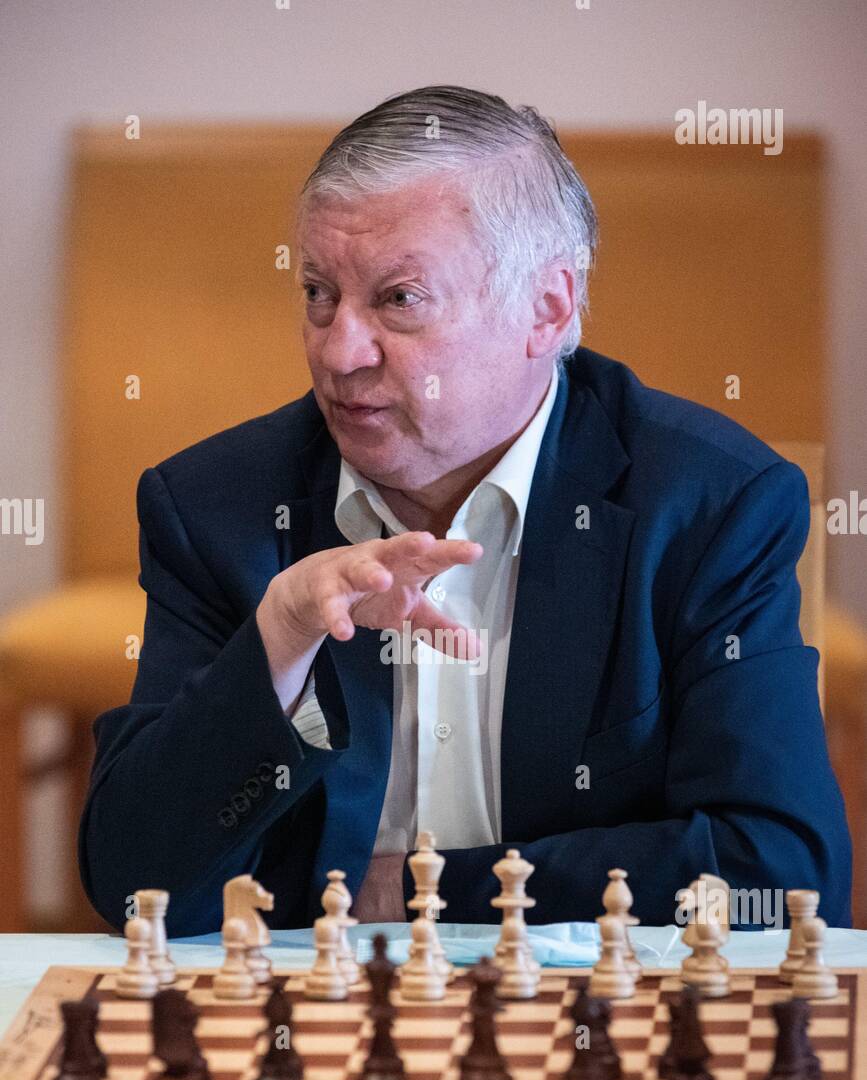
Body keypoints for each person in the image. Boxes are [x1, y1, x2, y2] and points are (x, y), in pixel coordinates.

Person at [79, 85, 852, 936]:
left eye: (398, 299)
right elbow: (132, 885)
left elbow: (775, 878)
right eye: (317, 293)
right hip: (310, 1031)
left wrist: (419, 897)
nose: (339, 351)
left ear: (546, 307)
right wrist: (279, 641)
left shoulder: (707, 504)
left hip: (597, 1026)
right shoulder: (212, 508)